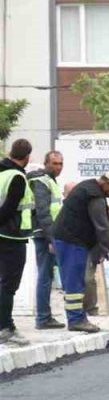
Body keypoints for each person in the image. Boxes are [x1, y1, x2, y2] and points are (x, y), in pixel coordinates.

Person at [51, 170, 109, 333]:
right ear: (108, 184)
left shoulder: (88, 187)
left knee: (74, 280)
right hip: (72, 240)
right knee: (75, 280)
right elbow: (102, 227)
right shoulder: (95, 196)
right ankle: (76, 320)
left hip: (67, 239)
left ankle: (77, 316)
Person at [0, 139, 33, 346]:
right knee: (9, 284)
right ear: (27, 156)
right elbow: (9, 209)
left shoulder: (2, 172)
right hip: (12, 236)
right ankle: (6, 327)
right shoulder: (17, 177)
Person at [28, 150, 65, 329]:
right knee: (45, 276)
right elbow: (43, 212)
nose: (58, 167)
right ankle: (43, 318)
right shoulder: (41, 181)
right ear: (46, 163)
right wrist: (51, 239)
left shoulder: (50, 181)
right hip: (44, 235)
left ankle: (45, 316)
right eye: (55, 163)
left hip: (49, 234)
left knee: (48, 276)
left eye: (60, 164)